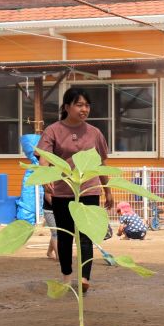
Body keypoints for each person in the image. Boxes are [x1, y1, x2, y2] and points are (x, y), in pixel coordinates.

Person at [38, 87, 113, 294]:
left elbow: (102, 162)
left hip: (89, 190)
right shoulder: (52, 130)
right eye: (79, 104)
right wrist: (45, 179)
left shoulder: (95, 133)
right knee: (65, 237)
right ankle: (66, 277)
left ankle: (84, 278)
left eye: (87, 105)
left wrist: (107, 190)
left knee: (86, 236)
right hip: (63, 192)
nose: (84, 109)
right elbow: (44, 158)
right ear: (66, 107)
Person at [42, 188, 58, 260]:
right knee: (55, 233)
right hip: (49, 211)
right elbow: (48, 197)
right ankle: (59, 256)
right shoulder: (49, 181)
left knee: (57, 232)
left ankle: (49, 252)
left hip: (60, 210)